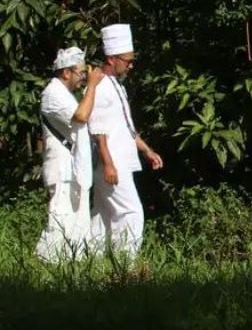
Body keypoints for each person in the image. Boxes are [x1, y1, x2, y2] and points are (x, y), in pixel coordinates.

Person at [90, 23, 163, 256]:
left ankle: (90, 261)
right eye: (127, 61)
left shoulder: (117, 87)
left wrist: (146, 151)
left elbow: (126, 127)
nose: (130, 66)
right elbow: (98, 129)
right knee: (131, 212)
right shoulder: (101, 86)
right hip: (111, 163)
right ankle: (125, 265)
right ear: (112, 59)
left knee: (102, 215)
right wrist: (108, 163)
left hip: (121, 158)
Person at [37, 47, 103, 261]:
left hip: (73, 165)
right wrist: (92, 85)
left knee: (78, 220)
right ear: (66, 72)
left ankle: (72, 265)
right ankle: (47, 262)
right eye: (81, 73)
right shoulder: (52, 93)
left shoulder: (65, 94)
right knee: (60, 217)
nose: (83, 78)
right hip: (61, 166)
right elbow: (82, 116)